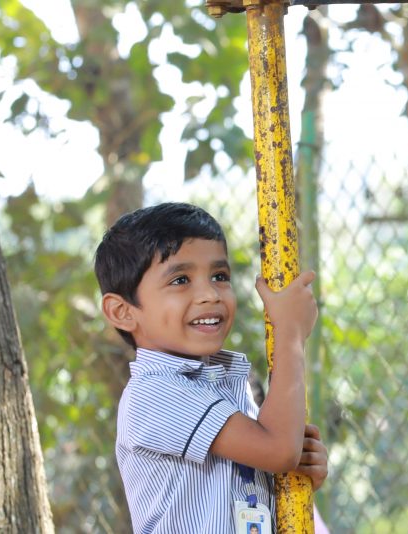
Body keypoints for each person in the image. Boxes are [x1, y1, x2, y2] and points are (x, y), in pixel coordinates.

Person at [96, 202, 330, 533]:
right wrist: (290, 334)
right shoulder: (156, 394)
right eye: (180, 280)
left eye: (219, 276)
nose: (209, 294)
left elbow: (249, 486)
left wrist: (296, 479)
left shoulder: (225, 384)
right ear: (123, 311)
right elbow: (278, 449)